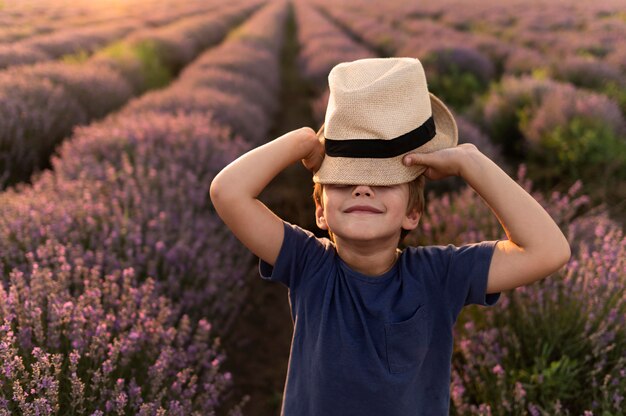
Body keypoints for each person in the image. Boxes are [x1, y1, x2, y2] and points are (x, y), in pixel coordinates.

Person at [210, 57, 571, 415]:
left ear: (413, 213)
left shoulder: (439, 275)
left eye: (384, 181)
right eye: (344, 180)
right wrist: (303, 140)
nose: (363, 188)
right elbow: (228, 192)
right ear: (320, 212)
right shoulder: (309, 264)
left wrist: (470, 163)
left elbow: (548, 250)